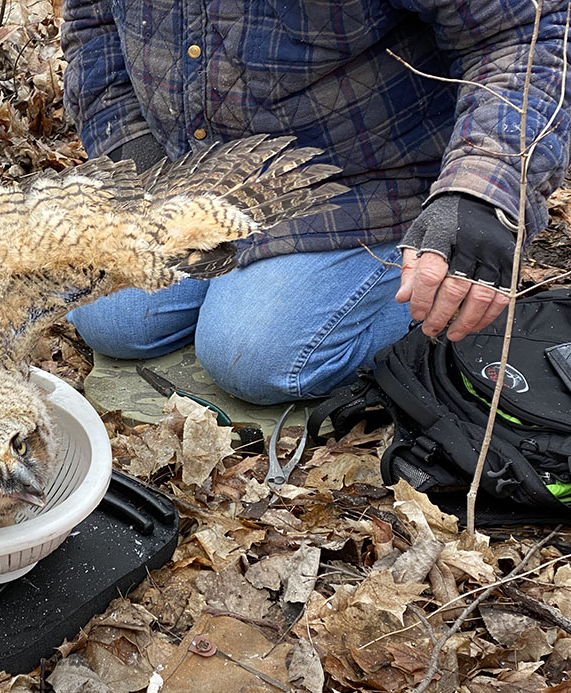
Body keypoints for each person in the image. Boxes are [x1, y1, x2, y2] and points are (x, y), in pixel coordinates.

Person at [60, 0, 571, 405]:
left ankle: (428, 280)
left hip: (368, 186)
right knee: (108, 318)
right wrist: (133, 152)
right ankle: (264, 286)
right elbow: (94, 22)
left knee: (257, 357)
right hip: (203, 176)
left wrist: (481, 191)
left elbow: (524, 36)